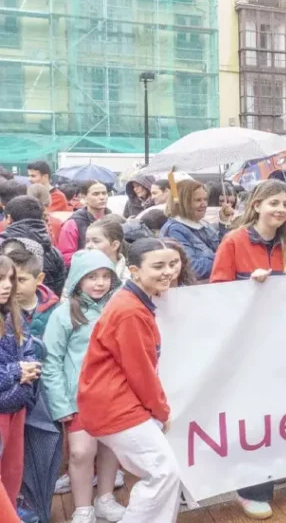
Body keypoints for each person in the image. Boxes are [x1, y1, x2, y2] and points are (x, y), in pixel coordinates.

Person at [210, 180, 286, 519]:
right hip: (248, 347)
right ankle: (251, 490)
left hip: (284, 344)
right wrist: (248, 286)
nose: (280, 210)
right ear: (256, 204)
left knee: (281, 413)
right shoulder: (233, 242)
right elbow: (216, 293)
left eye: (285, 205)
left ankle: (269, 472)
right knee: (256, 417)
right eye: (273, 203)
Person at [77, 238, 181, 523]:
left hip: (114, 402)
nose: (168, 272)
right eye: (158, 266)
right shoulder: (130, 310)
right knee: (163, 471)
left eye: (171, 264)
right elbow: (141, 371)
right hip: (115, 405)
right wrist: (161, 410)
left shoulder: (132, 300)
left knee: (162, 471)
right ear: (135, 271)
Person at [42, 250, 125, 523]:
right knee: (80, 452)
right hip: (78, 397)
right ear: (78, 279)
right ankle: (82, 508)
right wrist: (60, 402)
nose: (100, 283)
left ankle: (104, 499)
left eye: (105, 276)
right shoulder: (64, 313)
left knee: (110, 446)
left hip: (114, 394)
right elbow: (51, 361)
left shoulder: (119, 306)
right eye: (92, 277)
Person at [0, 254, 38, 507]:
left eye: (10, 279)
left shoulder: (13, 315)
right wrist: (16, 371)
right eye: (0, 278)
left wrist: (30, 367)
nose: (6, 285)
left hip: (16, 405)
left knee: (12, 472)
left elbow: (29, 349)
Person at [160, 179, 229, 281]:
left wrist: (224, 222)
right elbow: (193, 270)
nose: (204, 204)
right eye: (198, 200)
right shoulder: (174, 231)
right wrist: (225, 256)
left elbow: (223, 246)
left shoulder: (203, 224)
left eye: (205, 199)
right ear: (183, 203)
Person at [2, 195, 66, 296]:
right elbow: (58, 289)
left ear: (9, 219)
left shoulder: (3, 246)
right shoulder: (54, 252)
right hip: (44, 307)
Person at [57, 181, 110, 265]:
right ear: (84, 198)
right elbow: (65, 257)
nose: (102, 197)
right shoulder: (73, 223)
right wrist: (91, 258)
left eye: (104, 193)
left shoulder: (113, 219)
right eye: (96, 194)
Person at [85, 216, 130, 284]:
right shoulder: (81, 271)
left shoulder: (128, 278)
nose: (88, 246)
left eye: (96, 241)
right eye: (87, 241)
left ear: (115, 245)